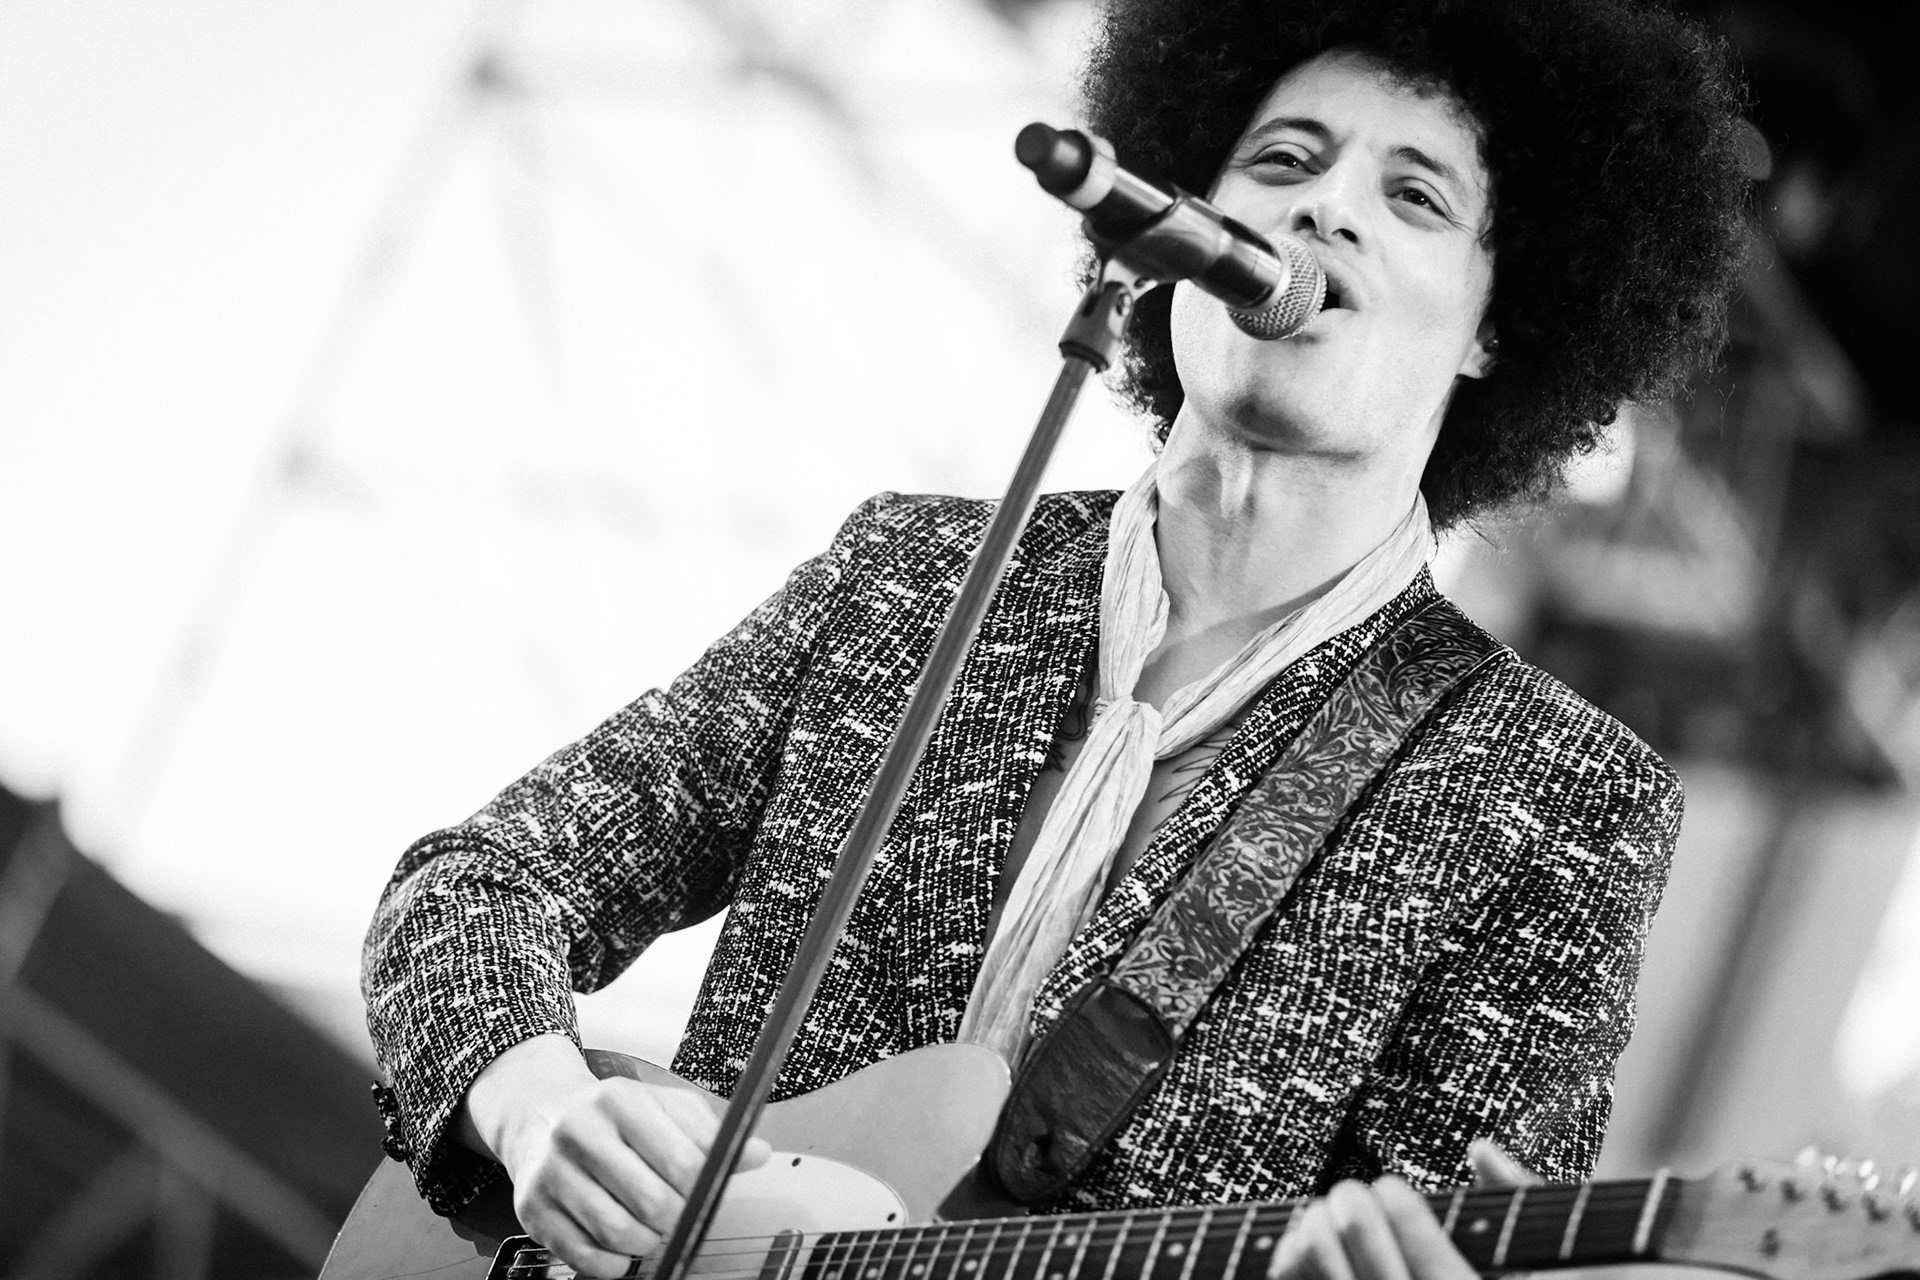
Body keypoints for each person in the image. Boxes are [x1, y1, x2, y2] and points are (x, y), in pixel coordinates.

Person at [362, 0, 1754, 1276]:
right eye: (1281, 162)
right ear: (1174, 234)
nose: (1324, 210)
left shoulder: (1557, 802)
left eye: (1413, 195)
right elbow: (478, 883)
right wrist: (539, 1110)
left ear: (1499, 328)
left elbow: (1457, 1229)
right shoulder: (911, 574)